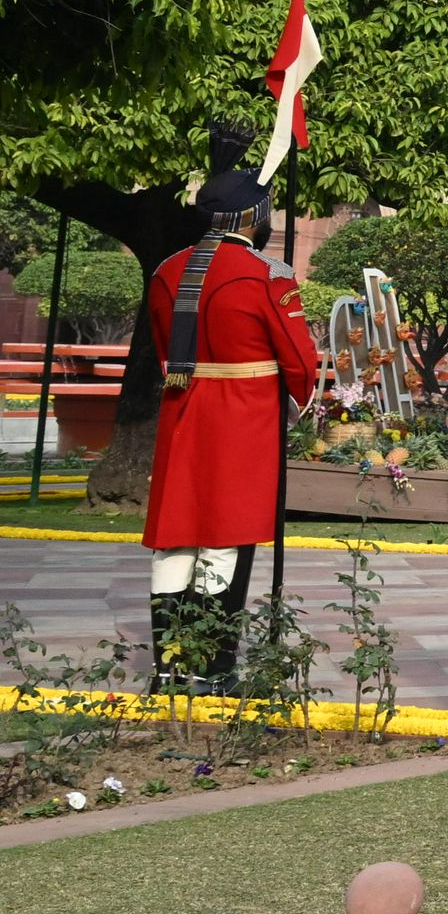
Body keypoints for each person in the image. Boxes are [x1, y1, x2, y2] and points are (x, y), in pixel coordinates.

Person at [138, 151, 320, 682]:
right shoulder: (268, 274)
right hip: (245, 417)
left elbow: (164, 348)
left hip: (181, 412)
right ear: (253, 218)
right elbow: (299, 362)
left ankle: (169, 667)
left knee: (176, 536)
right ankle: (214, 667)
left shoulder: (167, 270)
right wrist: (291, 409)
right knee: (225, 535)